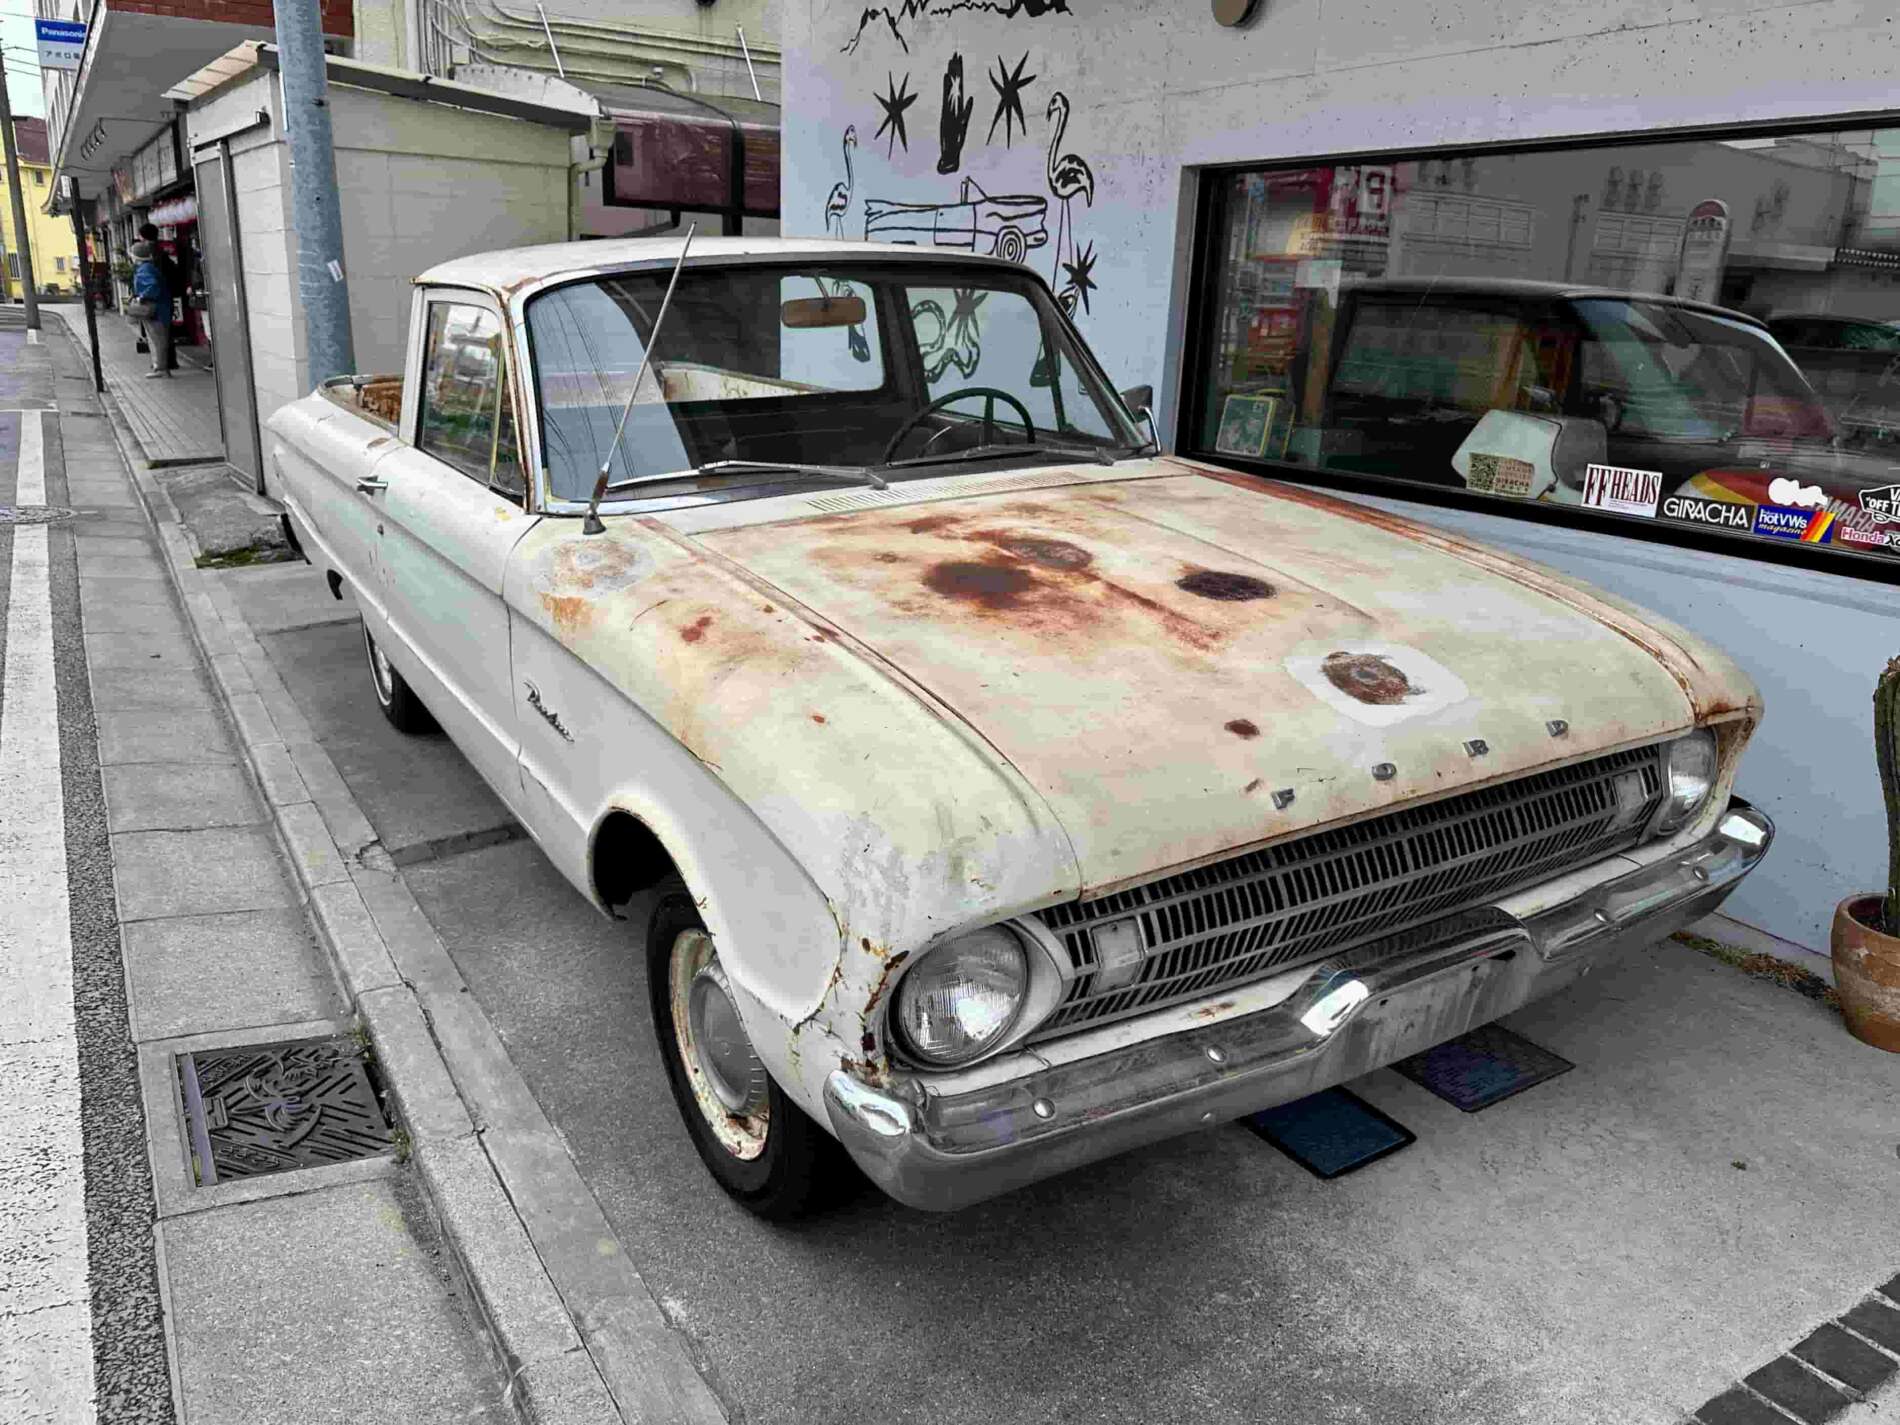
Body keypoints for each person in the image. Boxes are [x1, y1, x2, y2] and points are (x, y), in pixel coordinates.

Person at [137, 221, 181, 372]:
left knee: (157, 333)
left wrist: (142, 296)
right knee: (165, 331)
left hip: (156, 300)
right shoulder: (161, 250)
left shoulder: (148, 254)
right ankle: (168, 362)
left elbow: (152, 283)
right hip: (166, 296)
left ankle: (163, 364)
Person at [129, 241, 172, 379]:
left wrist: (141, 297)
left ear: (137, 256)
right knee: (158, 338)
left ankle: (161, 368)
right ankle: (159, 366)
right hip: (160, 308)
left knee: (157, 339)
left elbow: (152, 286)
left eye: (132, 255)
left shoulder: (144, 269)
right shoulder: (149, 267)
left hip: (154, 309)